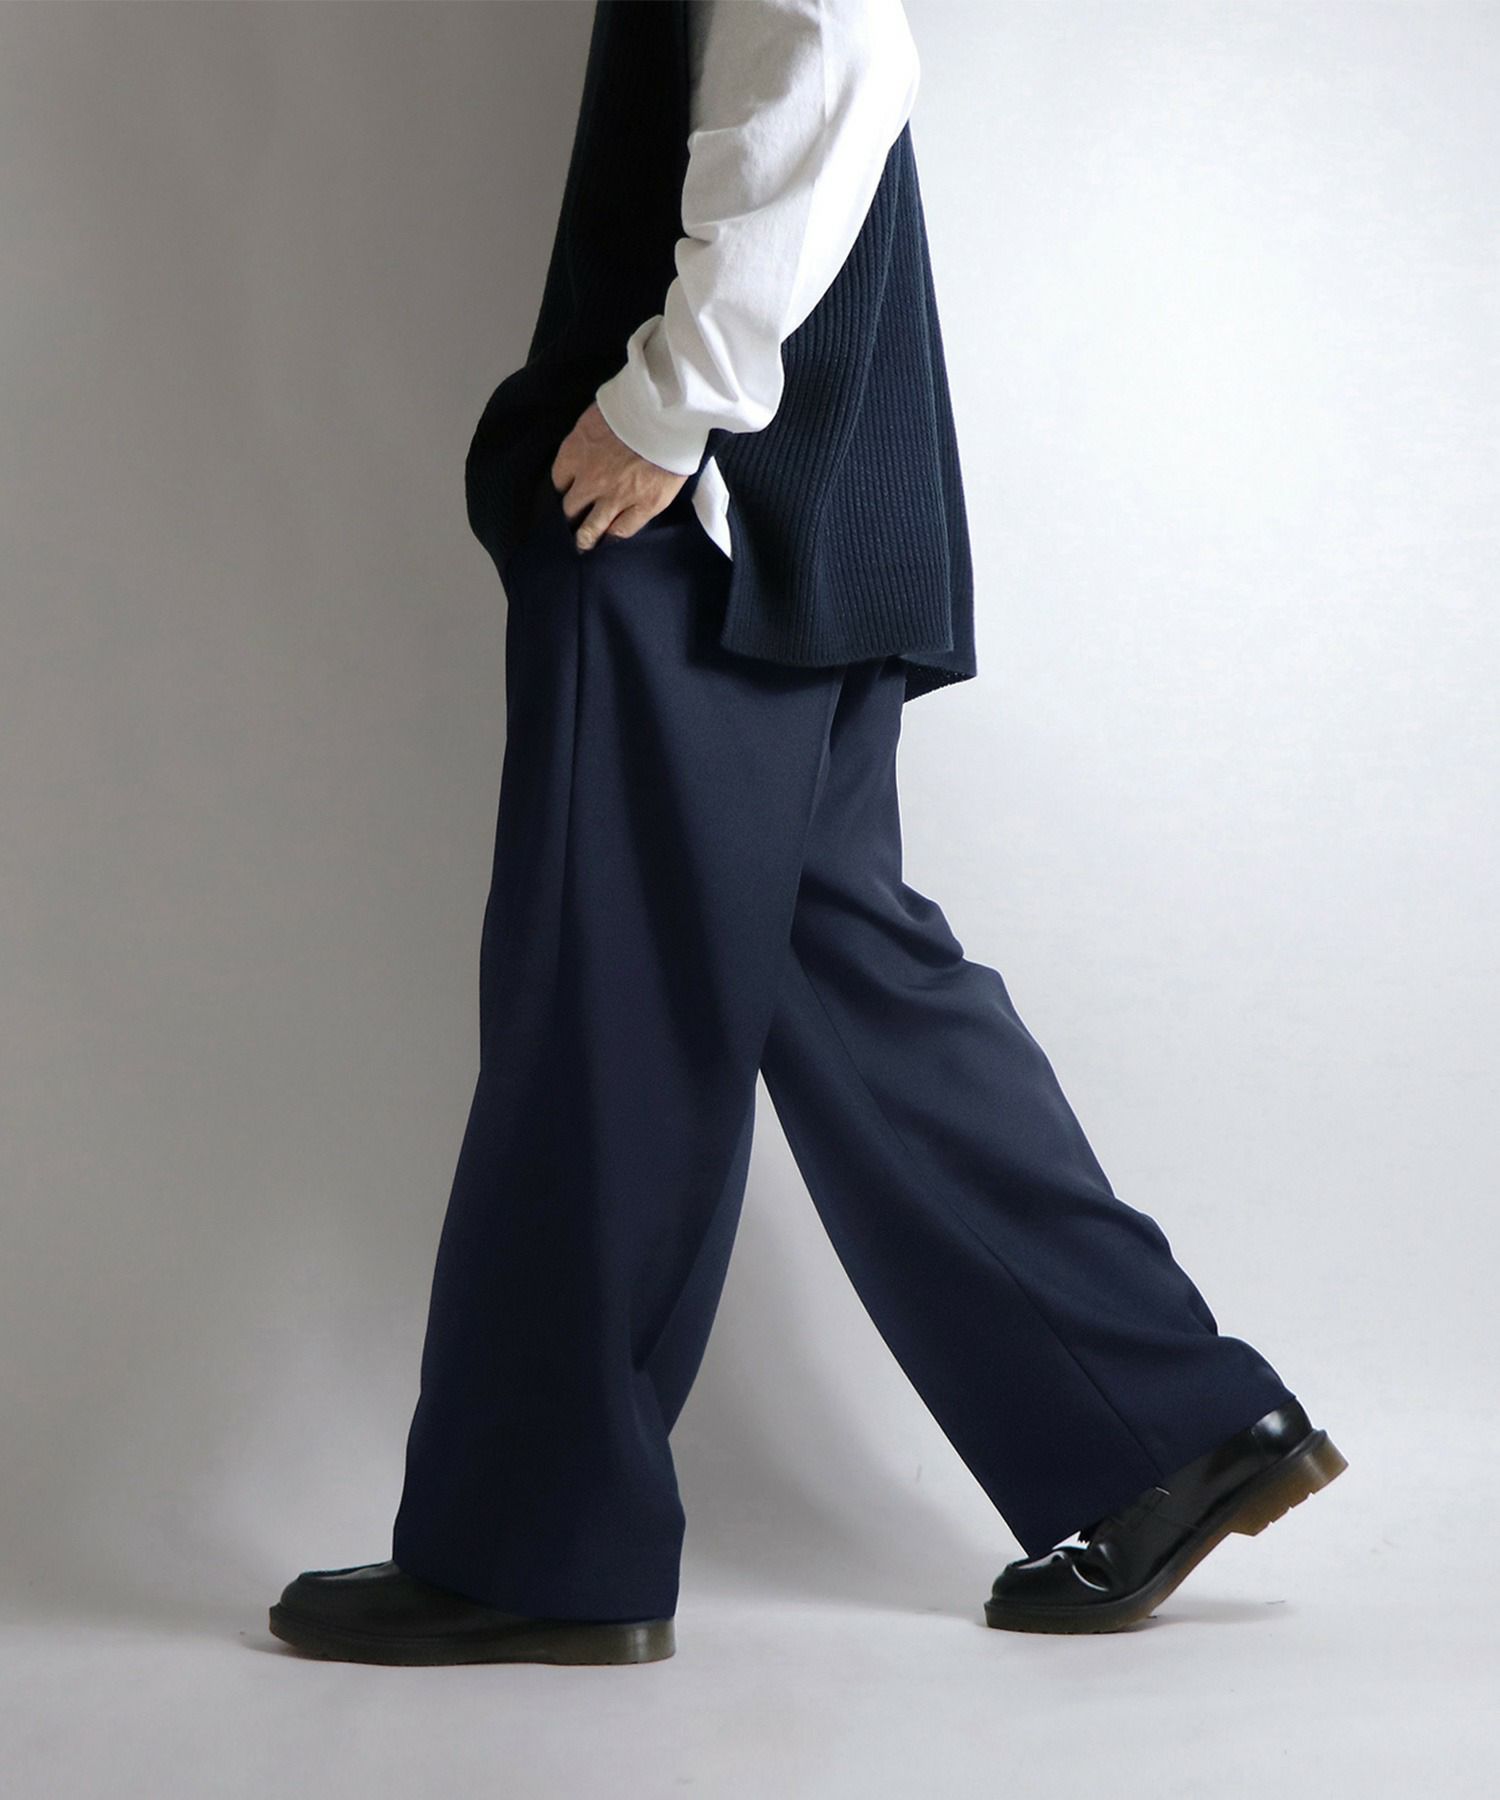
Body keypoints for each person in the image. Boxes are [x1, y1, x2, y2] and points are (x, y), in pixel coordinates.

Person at [268, 0, 1344, 1667]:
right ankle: (1167, 1434)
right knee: (841, 970)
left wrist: (668, 399)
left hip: (702, 515)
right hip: (795, 505)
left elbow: (838, 47)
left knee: (607, 1011)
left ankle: (539, 1545)